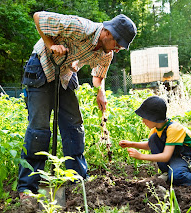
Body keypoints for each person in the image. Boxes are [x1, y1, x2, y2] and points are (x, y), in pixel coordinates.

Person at [18, 11, 137, 199]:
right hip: (42, 66)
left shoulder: (106, 54)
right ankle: (27, 187)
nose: (116, 49)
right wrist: (51, 45)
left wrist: (100, 92)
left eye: (120, 48)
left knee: (74, 126)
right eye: (116, 44)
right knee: (39, 130)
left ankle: (78, 179)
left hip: (64, 73)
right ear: (107, 32)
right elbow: (38, 17)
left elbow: (98, 76)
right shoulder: (80, 26)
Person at [119, 96, 191, 191]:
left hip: (188, 158)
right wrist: (131, 144)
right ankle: (168, 173)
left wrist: (141, 156)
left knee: (176, 176)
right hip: (175, 156)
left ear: (154, 118)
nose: (143, 120)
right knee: (153, 139)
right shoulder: (157, 129)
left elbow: (166, 156)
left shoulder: (174, 128)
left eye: (145, 117)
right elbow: (149, 145)